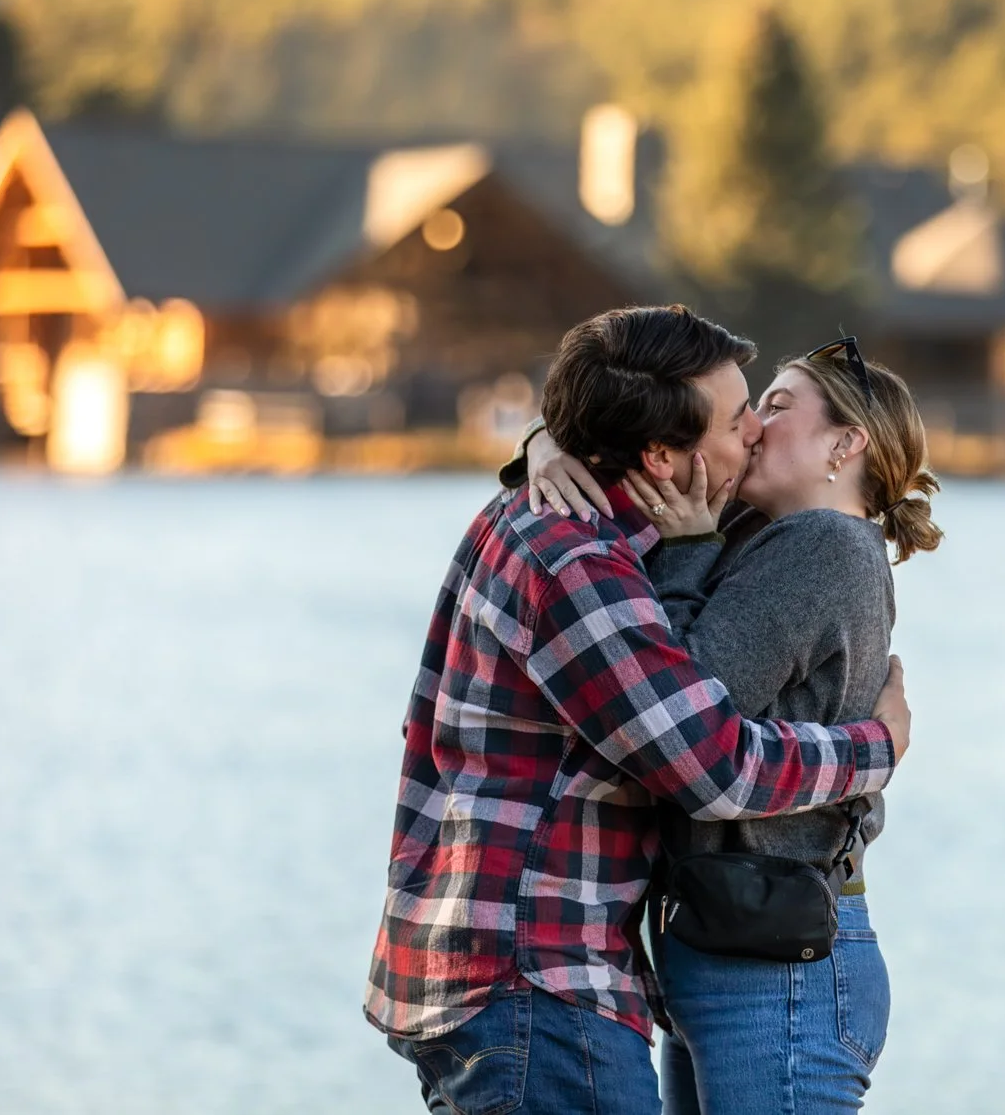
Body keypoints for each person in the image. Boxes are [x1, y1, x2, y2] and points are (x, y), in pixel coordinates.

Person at [364, 306, 913, 1115]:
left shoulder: (560, 524)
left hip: (529, 971)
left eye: (769, 408)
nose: (755, 431)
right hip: (533, 971)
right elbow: (711, 760)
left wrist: (548, 442)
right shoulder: (582, 559)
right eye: (741, 417)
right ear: (659, 453)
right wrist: (876, 747)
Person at [521, 335, 943, 1114]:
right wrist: (548, 442)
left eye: (776, 407)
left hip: (776, 965)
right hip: (733, 942)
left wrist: (686, 550)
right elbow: (636, 414)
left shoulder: (821, 544)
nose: (750, 426)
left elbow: (684, 702)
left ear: (844, 444)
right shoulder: (761, 530)